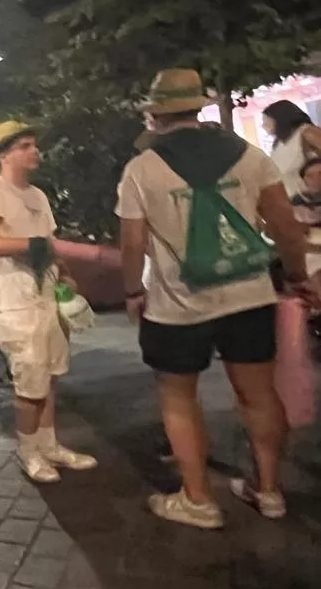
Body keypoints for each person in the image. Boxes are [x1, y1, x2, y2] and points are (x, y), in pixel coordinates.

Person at [118, 69, 318, 528]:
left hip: (176, 305)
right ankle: (267, 491)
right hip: (248, 295)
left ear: (155, 114)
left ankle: (199, 500)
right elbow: (285, 226)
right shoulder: (249, 157)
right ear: (198, 107)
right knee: (259, 395)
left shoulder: (141, 169)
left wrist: (132, 290)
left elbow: (132, 243)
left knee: (179, 399)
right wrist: (296, 276)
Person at [0, 120, 96, 483]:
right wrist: (38, 247)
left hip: (43, 295)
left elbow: (49, 240)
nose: (34, 151)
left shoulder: (37, 195)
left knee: (49, 375)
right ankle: (29, 451)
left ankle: (49, 444)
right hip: (11, 301)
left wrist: (64, 270)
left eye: (33, 145)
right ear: (4, 155)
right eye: (24, 145)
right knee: (29, 381)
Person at [261, 100, 321, 198]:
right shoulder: (278, 143)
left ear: (280, 118)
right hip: (295, 203)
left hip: (313, 200)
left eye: (266, 120)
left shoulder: (306, 132)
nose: (264, 125)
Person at [289, 157, 321, 277]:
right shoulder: (296, 202)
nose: (317, 179)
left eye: (320, 173)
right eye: (310, 176)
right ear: (304, 181)